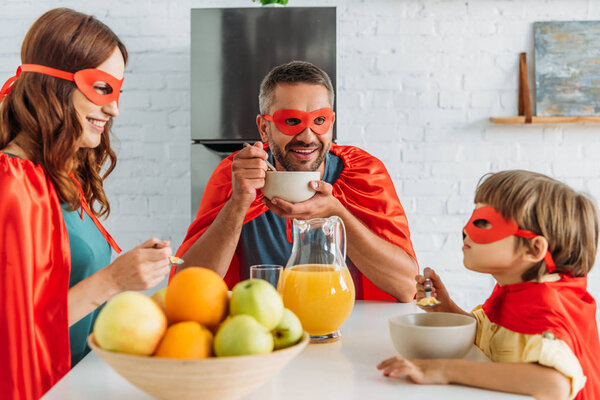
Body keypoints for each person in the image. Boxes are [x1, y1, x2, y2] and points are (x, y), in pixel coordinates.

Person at [0, 9, 172, 400]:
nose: (114, 110)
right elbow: (14, 335)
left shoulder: (55, 174)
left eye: (117, 93)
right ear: (53, 86)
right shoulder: (12, 186)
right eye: (102, 89)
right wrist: (113, 280)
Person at [173, 60, 417, 301]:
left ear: (331, 123)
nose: (307, 137)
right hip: (262, 330)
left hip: (349, 328)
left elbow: (408, 286)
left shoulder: (364, 173)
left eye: (319, 121)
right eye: (291, 121)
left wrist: (337, 213)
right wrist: (239, 202)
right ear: (264, 128)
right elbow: (188, 287)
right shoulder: (236, 176)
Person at [377, 170, 600, 399]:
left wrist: (441, 369)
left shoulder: (547, 306)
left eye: (483, 222)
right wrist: (446, 309)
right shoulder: (517, 291)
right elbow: (499, 341)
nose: (466, 230)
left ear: (533, 249)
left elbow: (555, 383)